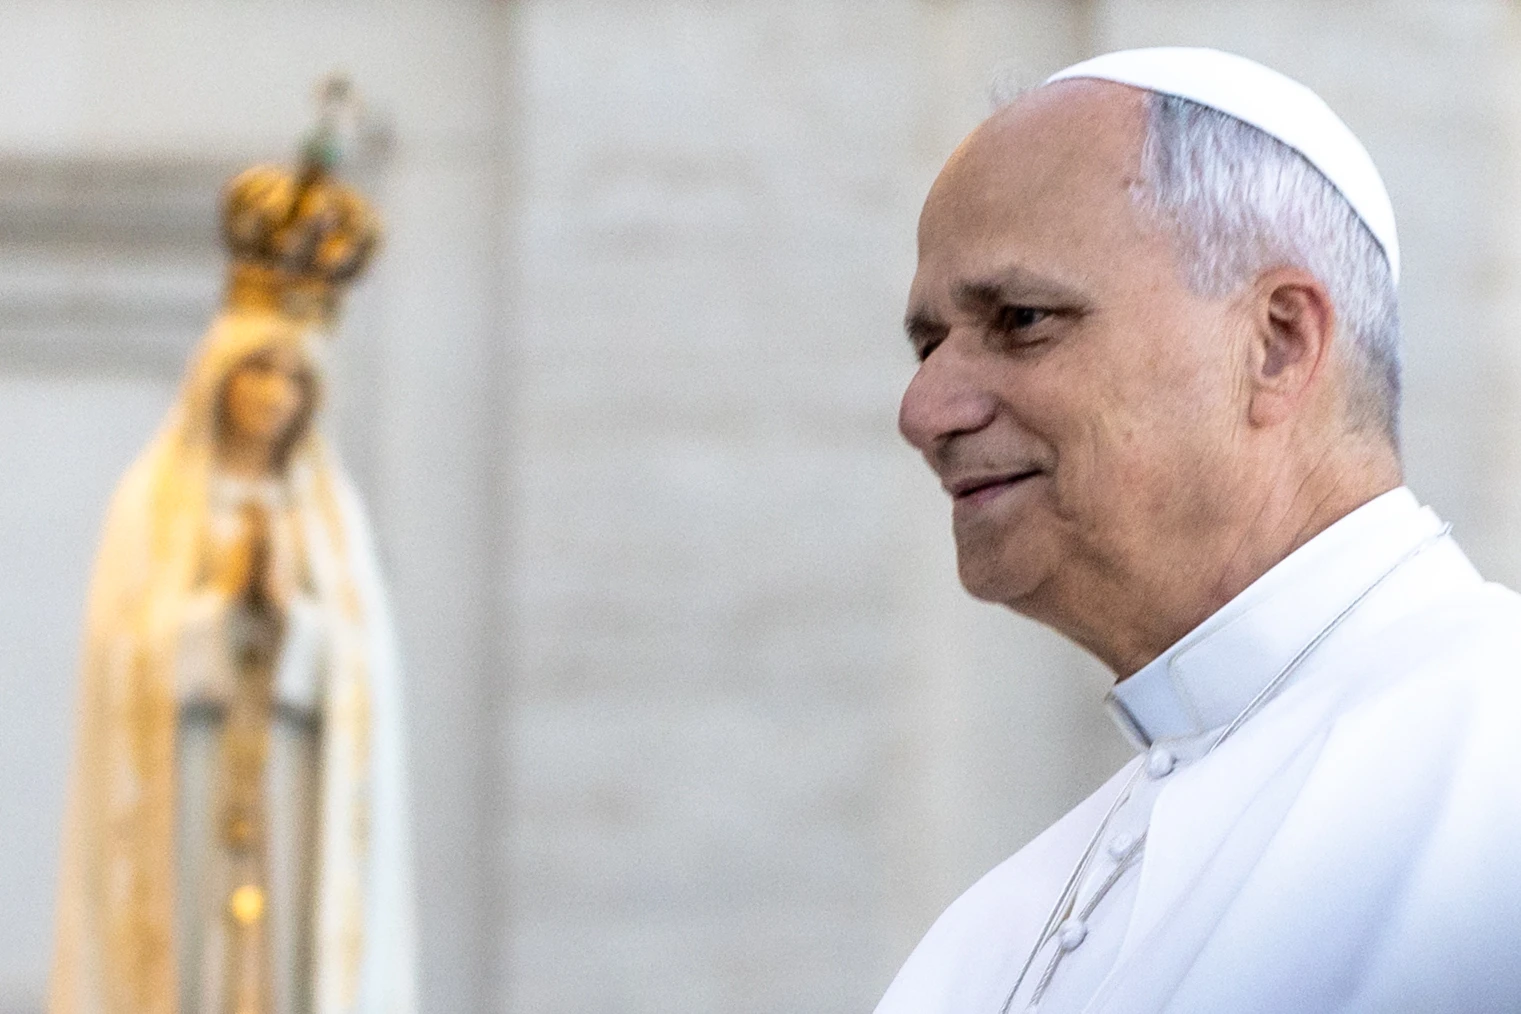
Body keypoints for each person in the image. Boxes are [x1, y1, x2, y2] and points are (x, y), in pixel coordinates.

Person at [877, 47, 1521, 1014]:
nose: (924, 410)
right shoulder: (992, 930)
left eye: (1020, 319)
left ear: (1277, 343)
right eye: (929, 344)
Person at [51, 144, 412, 1013]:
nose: (275, 395)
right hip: (188, 782)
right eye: (260, 368)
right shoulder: (155, 502)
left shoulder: (328, 517)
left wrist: (293, 624)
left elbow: (366, 683)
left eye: (295, 378)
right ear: (220, 373)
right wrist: (221, 620)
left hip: (292, 787)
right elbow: (122, 665)